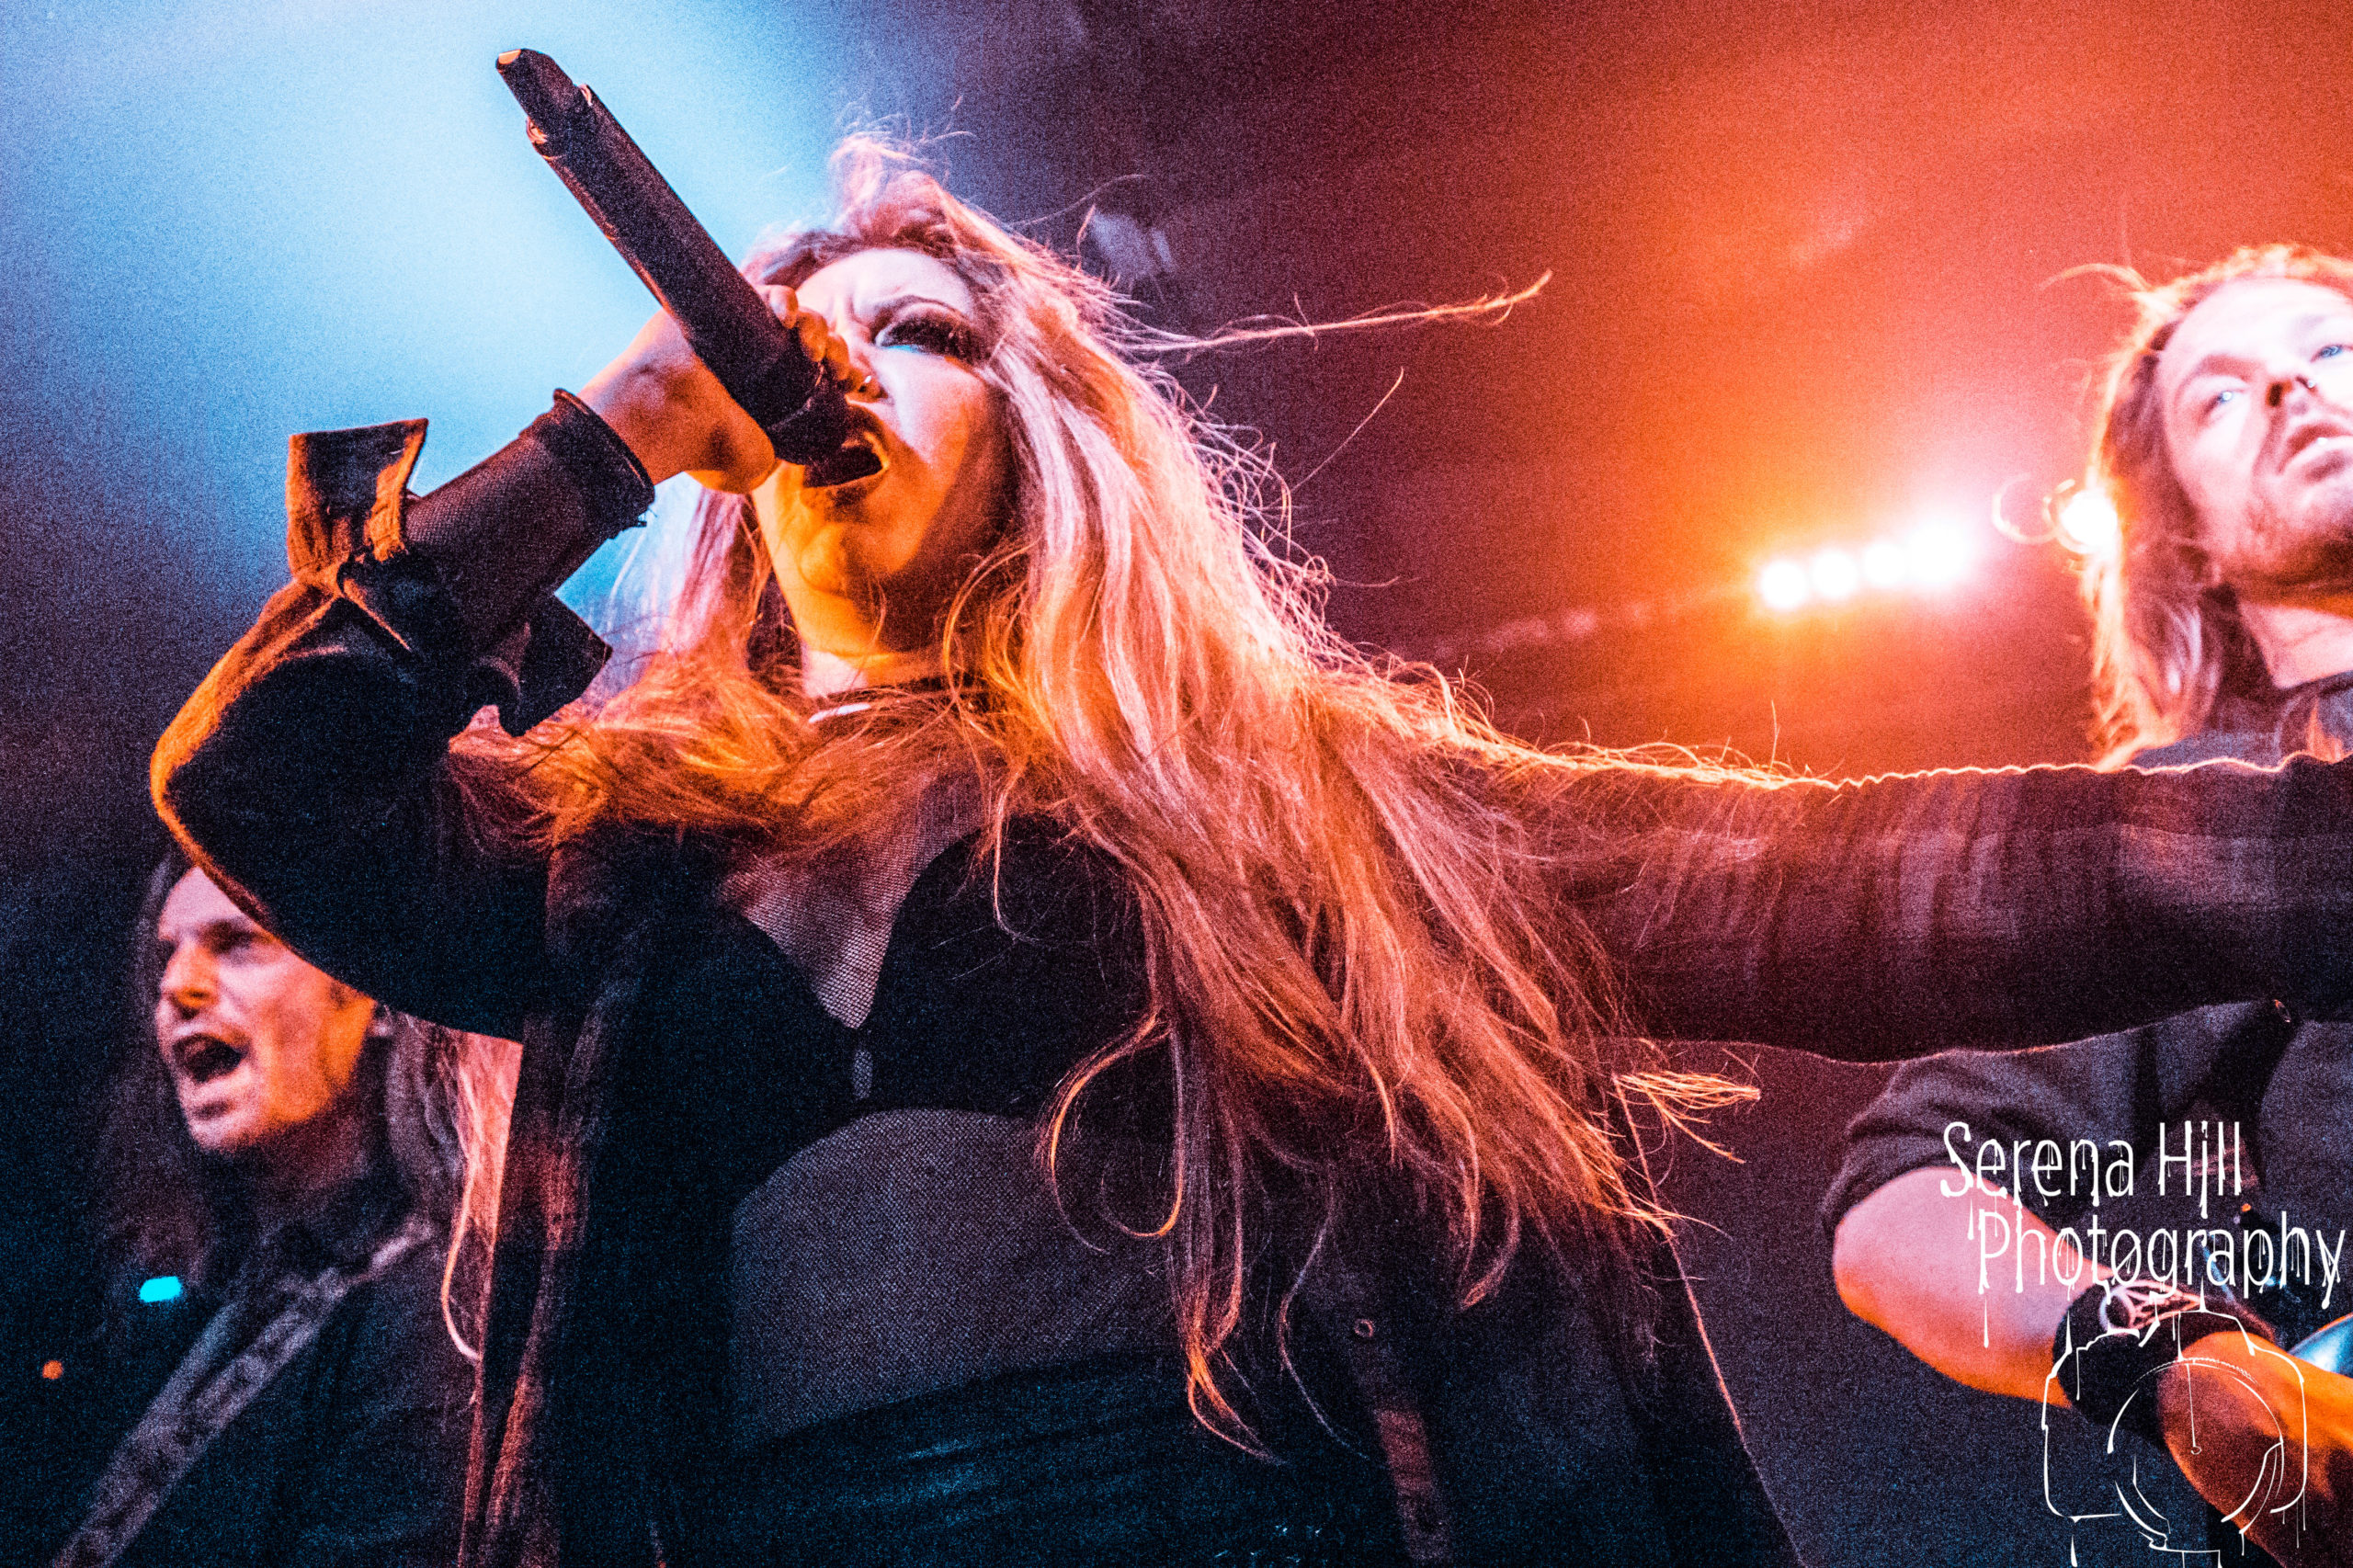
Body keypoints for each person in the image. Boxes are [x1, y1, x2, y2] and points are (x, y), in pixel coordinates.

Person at [151, 145, 2353, 1568]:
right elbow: (259, 781)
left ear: (1037, 434)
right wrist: (609, 432)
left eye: (921, 335)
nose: (849, 372)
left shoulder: (1300, 800)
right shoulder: (610, 855)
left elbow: (1878, 880)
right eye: (814, 340)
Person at [1828, 245, 2353, 1567]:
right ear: (2192, 544)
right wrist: (2170, 1359)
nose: (2292, 388)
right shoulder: (2183, 818)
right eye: (2220, 397)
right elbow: (1901, 1194)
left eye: (2332, 351)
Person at [39, 851, 492, 1568]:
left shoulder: (435, 1306)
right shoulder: (204, 1289)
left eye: (239, 943)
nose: (178, 985)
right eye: (167, 955)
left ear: (373, 993)